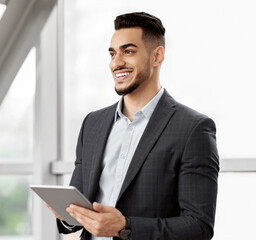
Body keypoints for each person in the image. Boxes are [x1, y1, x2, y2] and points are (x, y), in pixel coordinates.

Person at [47, 12, 219, 240]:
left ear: (157, 56)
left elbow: (199, 226)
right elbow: (80, 209)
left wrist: (125, 227)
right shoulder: (93, 124)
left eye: (128, 52)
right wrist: (67, 216)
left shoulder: (193, 129)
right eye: (112, 53)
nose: (116, 63)